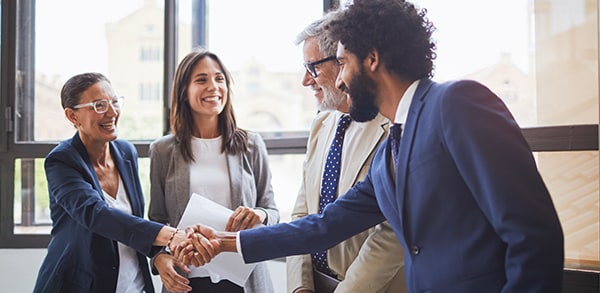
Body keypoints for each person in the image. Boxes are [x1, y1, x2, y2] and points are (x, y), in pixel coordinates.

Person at [180, 0, 566, 292]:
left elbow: (534, 236)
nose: (341, 81)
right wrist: (226, 242)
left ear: (372, 60)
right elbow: (323, 225)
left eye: (343, 64)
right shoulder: (389, 154)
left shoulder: (458, 103)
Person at [33, 72, 191, 293]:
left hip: (132, 285)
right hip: (80, 285)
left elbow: (133, 220)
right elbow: (96, 214)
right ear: (72, 116)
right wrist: (171, 234)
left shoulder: (126, 152)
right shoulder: (62, 161)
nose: (112, 112)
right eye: (99, 105)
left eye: (114, 102)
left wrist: (158, 253)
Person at [287, 12, 406, 293]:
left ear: (343, 62)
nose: (306, 80)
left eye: (312, 67)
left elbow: (392, 232)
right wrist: (299, 286)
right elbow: (302, 213)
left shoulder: (392, 127)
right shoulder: (322, 123)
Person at [149, 48, 279, 293]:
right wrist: (158, 257)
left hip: (244, 281)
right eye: (201, 80)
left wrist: (259, 215)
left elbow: (272, 211)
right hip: (187, 280)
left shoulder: (250, 144)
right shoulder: (163, 150)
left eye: (219, 79)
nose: (213, 86)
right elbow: (156, 220)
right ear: (184, 93)